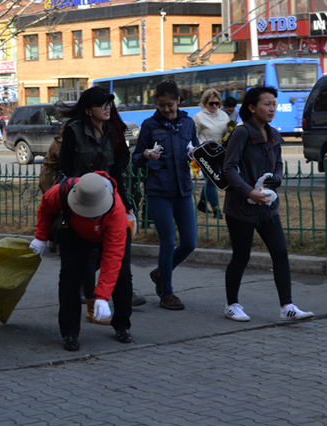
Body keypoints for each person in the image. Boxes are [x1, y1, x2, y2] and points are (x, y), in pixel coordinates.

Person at [222, 86, 315, 322]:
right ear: (252, 108)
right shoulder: (241, 133)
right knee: (241, 256)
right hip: (241, 208)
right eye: (267, 104)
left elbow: (279, 166)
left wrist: (277, 181)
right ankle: (232, 304)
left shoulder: (274, 134)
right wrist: (249, 192)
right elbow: (229, 168)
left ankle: (287, 306)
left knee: (280, 252)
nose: (272, 108)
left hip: (267, 208)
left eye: (274, 103)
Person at [55, 86, 143, 325]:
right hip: (81, 203)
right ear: (87, 110)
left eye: (109, 104)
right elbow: (64, 170)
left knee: (120, 269)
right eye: (102, 104)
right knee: (78, 267)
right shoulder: (73, 131)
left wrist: (125, 204)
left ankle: (122, 324)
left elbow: (119, 165)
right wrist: (81, 187)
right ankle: (81, 319)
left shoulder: (114, 131)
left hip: (110, 203)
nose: (107, 107)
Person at [29, 172, 129, 350]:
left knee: (122, 277)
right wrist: (41, 237)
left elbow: (112, 258)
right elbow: (46, 207)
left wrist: (102, 296)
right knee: (69, 278)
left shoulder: (116, 213)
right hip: (75, 234)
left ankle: (122, 325)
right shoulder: (63, 190)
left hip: (106, 236)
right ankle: (70, 332)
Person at [131, 80, 198, 311]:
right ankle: (167, 293)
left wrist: (195, 157)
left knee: (189, 242)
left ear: (178, 100)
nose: (166, 110)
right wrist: (146, 155)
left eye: (169, 104)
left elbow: (197, 153)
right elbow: (136, 157)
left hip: (183, 189)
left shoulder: (188, 123)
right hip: (159, 190)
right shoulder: (150, 125)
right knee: (168, 242)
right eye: (161, 106)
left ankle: (160, 273)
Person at [193, 88, 230, 219]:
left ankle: (202, 203)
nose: (214, 106)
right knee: (212, 180)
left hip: (219, 153)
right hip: (204, 154)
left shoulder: (224, 115)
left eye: (217, 103)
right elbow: (193, 136)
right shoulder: (198, 118)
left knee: (213, 180)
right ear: (205, 103)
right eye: (211, 103)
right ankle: (216, 209)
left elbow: (227, 132)